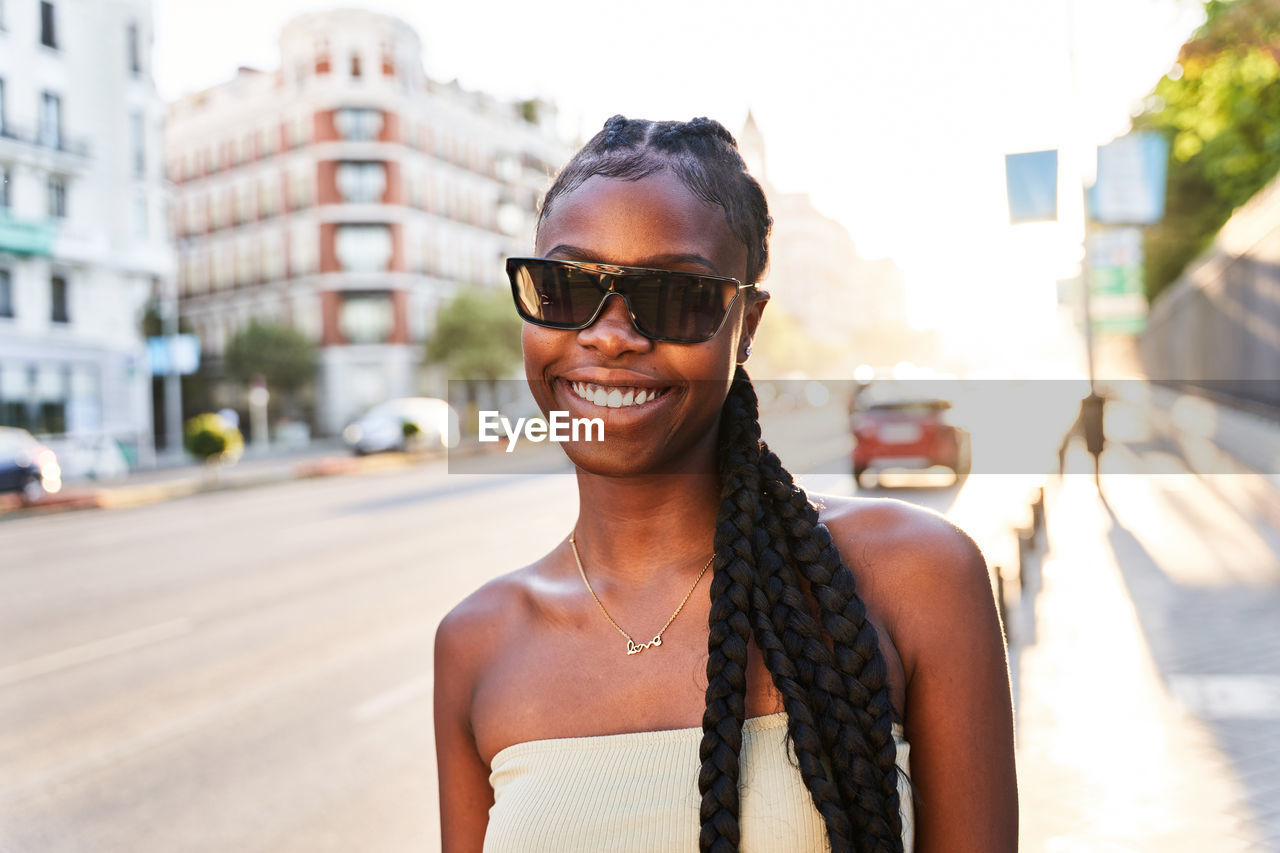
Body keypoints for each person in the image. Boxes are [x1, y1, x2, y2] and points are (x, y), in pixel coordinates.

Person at [434, 116, 1017, 853]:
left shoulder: (918, 576)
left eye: (676, 296)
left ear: (745, 326)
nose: (611, 334)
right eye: (565, 285)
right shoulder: (476, 643)